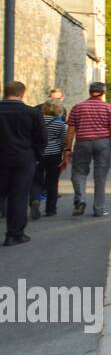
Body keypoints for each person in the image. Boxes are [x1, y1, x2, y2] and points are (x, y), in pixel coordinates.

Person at [64, 81, 111, 218]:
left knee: (79, 172)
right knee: (100, 176)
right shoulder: (108, 108)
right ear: (103, 93)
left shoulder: (77, 107)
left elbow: (71, 130)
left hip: (82, 143)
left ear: (90, 92)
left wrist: (67, 149)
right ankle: (99, 209)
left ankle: (80, 199)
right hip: (103, 143)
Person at [0, 80, 46, 246]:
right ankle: (14, 234)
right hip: (23, 158)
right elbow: (41, 137)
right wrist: (36, 156)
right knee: (18, 197)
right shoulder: (32, 113)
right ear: (22, 93)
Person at [31, 100, 68, 218]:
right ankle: (50, 209)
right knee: (52, 182)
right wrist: (64, 155)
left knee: (36, 180)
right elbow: (63, 141)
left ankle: (35, 200)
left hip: (37, 154)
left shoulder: (35, 122)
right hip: (54, 155)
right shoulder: (61, 124)